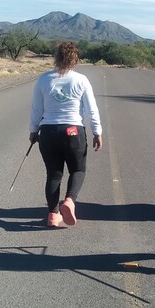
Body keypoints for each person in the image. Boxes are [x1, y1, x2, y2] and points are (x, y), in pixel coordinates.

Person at [29, 42, 102, 228]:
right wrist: (97, 132)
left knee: (53, 174)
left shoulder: (44, 79)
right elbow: (91, 109)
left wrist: (33, 130)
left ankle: (53, 215)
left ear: (56, 57)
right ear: (75, 59)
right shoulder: (81, 80)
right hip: (73, 131)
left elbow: (36, 109)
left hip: (48, 131)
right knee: (77, 170)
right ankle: (69, 200)